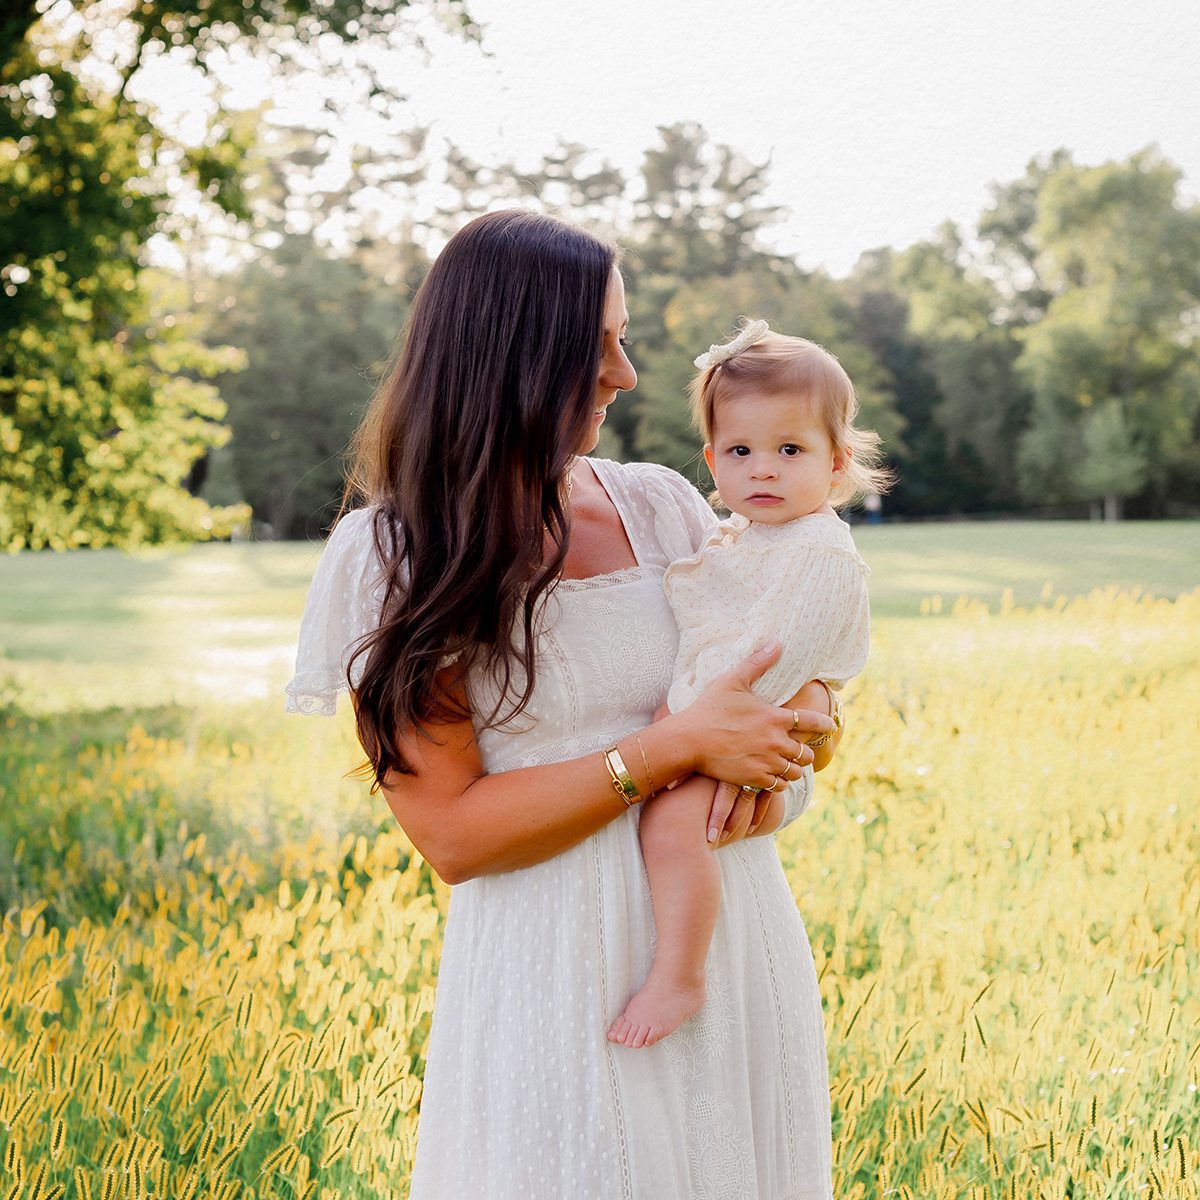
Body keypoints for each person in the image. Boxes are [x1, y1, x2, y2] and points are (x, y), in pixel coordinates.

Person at [285, 210, 842, 1200]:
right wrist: (668, 751)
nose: (625, 374)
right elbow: (452, 835)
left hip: (729, 939)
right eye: (597, 346)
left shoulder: (665, 506)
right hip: (557, 975)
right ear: (512, 357)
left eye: (621, 339)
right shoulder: (396, 557)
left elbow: (771, 682)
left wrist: (808, 732)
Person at [607, 319, 886, 1051]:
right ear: (712, 460)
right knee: (674, 823)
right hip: (712, 724)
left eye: (789, 451)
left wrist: (683, 719)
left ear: (836, 462)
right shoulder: (745, 536)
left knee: (674, 827)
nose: (763, 470)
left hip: (739, 720)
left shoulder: (821, 551)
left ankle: (679, 974)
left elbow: (775, 657)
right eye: (741, 451)